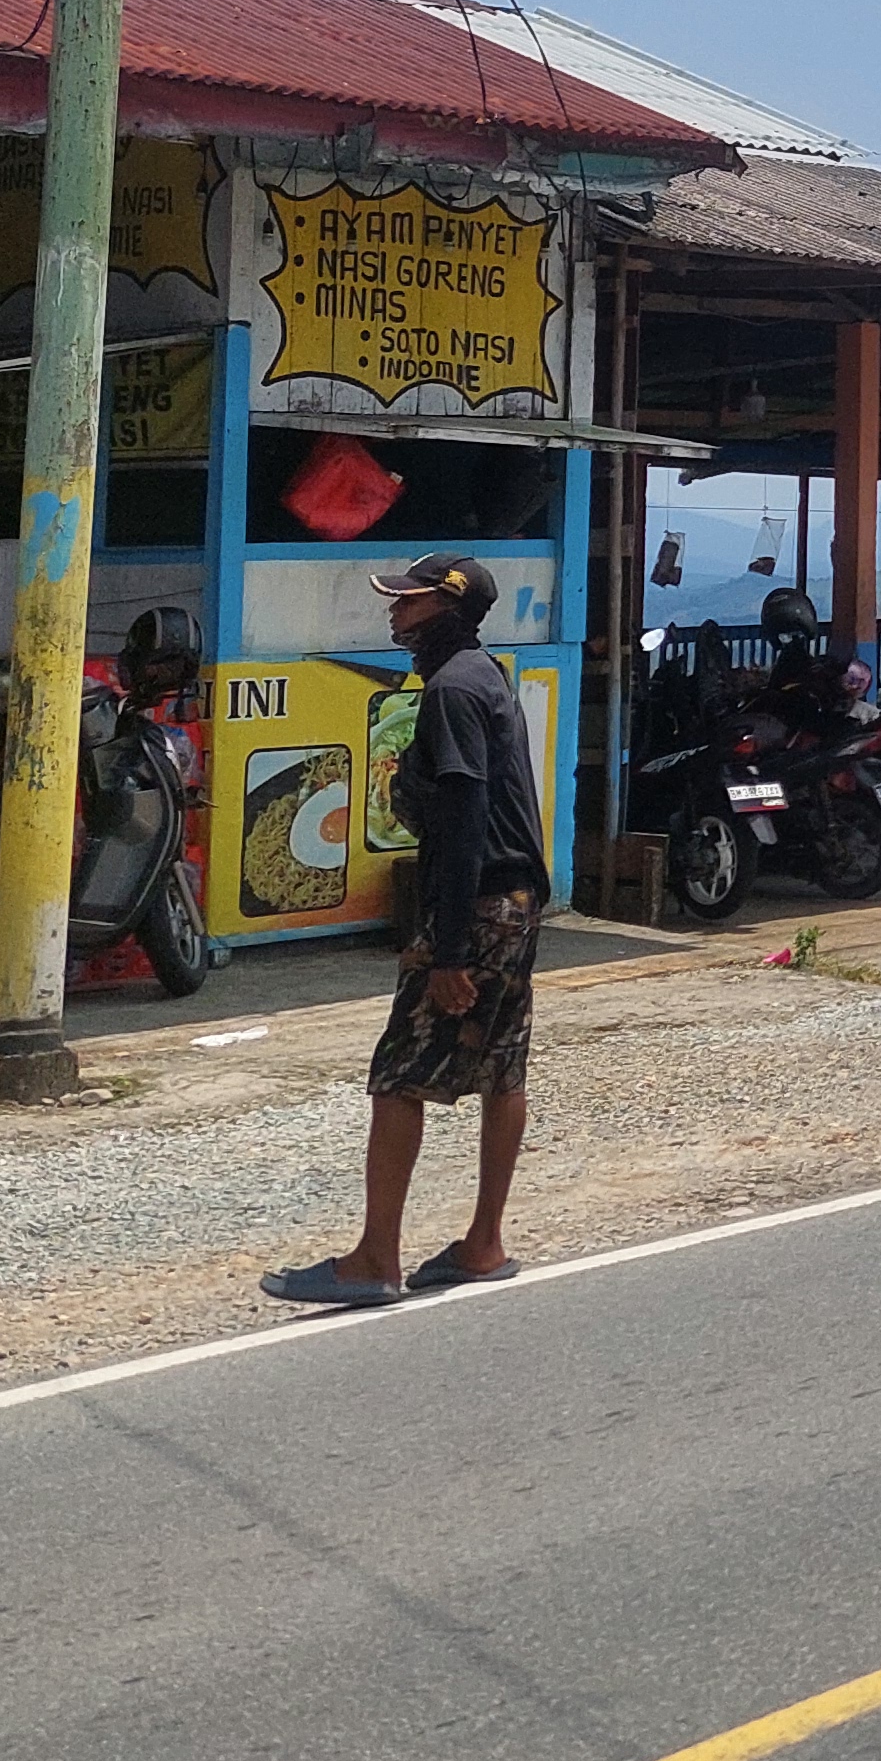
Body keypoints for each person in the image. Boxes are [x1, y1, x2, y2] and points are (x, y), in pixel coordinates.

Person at [267, 553, 552, 1308]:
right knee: (502, 1068)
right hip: (516, 899)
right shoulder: (483, 675)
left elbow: (461, 823)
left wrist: (449, 950)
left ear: (446, 610)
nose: (394, 613)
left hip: (478, 904)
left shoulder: (454, 691)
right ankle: (484, 1244)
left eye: (408, 602)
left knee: (397, 1078)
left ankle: (375, 1260)